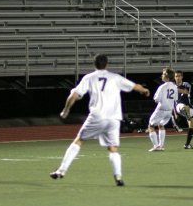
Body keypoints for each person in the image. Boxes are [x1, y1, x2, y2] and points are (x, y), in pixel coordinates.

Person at [49, 54, 150, 185]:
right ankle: (118, 177)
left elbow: (73, 95)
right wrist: (145, 91)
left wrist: (65, 110)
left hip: (97, 116)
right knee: (113, 148)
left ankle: (61, 171)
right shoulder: (115, 77)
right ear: (106, 64)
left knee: (79, 141)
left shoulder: (89, 78)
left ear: (94, 64)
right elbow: (135, 86)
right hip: (114, 118)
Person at [148, 67, 178, 151]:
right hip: (169, 111)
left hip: (161, 110)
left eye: (163, 74)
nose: (162, 75)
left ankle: (156, 146)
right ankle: (161, 146)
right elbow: (175, 99)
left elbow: (156, 99)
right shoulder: (175, 87)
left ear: (167, 77)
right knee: (161, 125)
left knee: (151, 126)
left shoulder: (162, 87)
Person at [173, 70, 193, 149]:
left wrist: (174, 89)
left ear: (182, 77)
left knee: (192, 124)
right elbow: (172, 101)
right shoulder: (172, 86)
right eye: (176, 76)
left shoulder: (186, 84)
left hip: (189, 105)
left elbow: (186, 91)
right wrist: (175, 113)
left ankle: (187, 144)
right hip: (179, 105)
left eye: (179, 76)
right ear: (174, 77)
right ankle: (185, 113)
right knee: (183, 107)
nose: (178, 78)